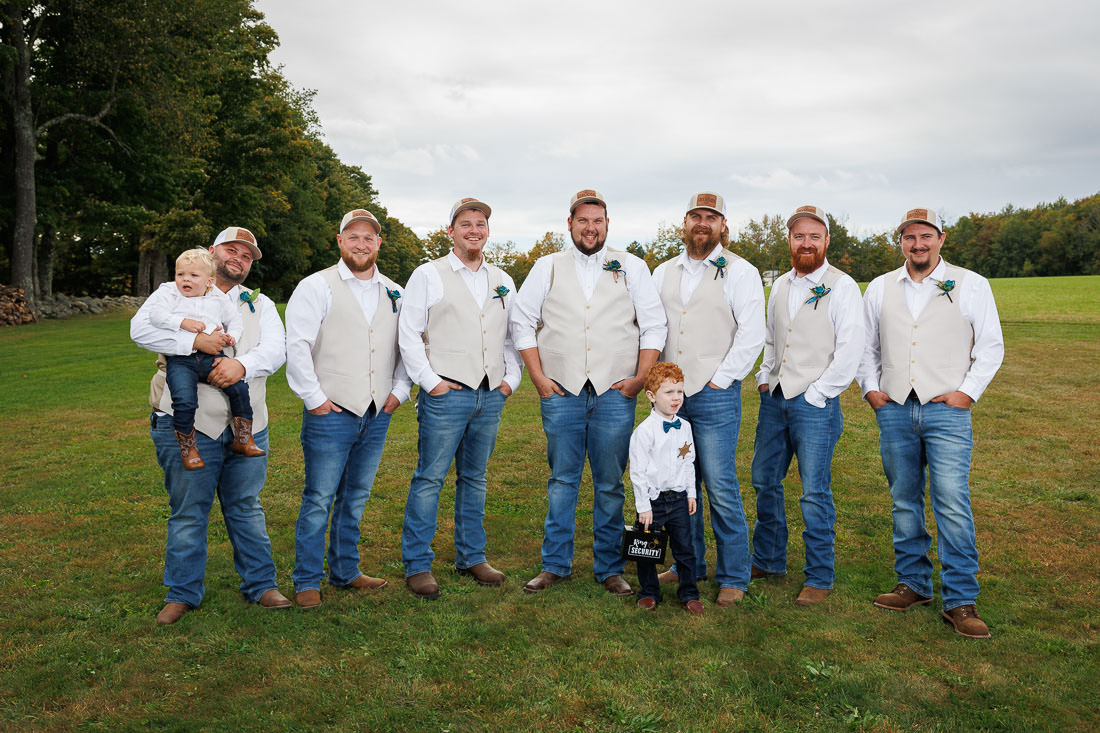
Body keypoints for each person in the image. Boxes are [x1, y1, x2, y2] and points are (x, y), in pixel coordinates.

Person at [131, 226, 291, 624]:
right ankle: (182, 593)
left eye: (247, 255)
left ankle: (261, 584)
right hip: (187, 421)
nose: (239, 258)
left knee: (246, 506)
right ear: (211, 252)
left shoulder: (259, 304)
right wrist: (191, 344)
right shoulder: (173, 292)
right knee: (188, 511)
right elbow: (139, 330)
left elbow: (276, 347)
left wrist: (242, 365)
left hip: (246, 423)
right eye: (231, 250)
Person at [511, 188, 667, 597]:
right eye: (583, 220)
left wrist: (638, 379)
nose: (590, 227)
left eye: (597, 221)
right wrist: (539, 378)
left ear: (607, 224)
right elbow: (522, 323)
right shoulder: (547, 266)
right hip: (560, 390)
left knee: (610, 482)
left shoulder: (631, 266)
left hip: (615, 391)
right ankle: (554, 565)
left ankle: (610, 568)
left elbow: (653, 325)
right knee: (562, 479)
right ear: (570, 224)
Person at [857, 207, 1004, 639]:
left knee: (952, 502)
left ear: (941, 238)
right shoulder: (881, 288)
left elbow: (991, 346)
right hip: (896, 409)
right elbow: (866, 346)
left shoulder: (971, 284)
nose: (917, 245)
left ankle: (960, 599)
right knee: (904, 499)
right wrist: (871, 389)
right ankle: (914, 584)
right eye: (909, 238)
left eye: (926, 237)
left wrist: (967, 393)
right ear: (900, 241)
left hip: (947, 411)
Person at [285, 208, 411, 609]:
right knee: (319, 497)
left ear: (378, 243)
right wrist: (316, 399)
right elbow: (297, 346)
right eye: (353, 236)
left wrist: (400, 389)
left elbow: (407, 345)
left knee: (355, 496)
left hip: (376, 413)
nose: (361, 243)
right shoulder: (316, 285)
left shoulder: (395, 292)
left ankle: (345, 569)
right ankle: (307, 579)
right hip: (331, 412)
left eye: (368, 237)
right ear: (340, 241)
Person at [397, 197, 522, 600]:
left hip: (490, 395)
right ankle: (417, 564)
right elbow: (409, 334)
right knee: (429, 479)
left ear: (488, 231)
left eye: (481, 224)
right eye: (465, 223)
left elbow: (510, 337)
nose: (474, 230)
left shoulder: (502, 278)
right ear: (450, 231)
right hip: (446, 393)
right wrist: (430, 382)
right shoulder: (428, 274)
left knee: (476, 478)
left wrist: (510, 382)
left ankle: (472, 556)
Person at [650, 191, 765, 607]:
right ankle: (688, 565)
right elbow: (651, 326)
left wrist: (720, 381)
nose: (702, 223)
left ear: (722, 226)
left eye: (711, 217)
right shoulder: (662, 271)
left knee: (719, 484)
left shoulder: (741, 271)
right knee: (678, 485)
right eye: (695, 216)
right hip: (668, 399)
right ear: (684, 224)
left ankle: (734, 574)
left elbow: (751, 333)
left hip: (714, 395)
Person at [749, 205, 864, 606]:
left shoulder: (843, 286)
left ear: (827, 240)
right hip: (775, 400)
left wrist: (818, 393)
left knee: (814, 491)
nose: (807, 243)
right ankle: (768, 559)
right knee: (764, 480)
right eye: (799, 236)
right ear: (790, 240)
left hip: (815, 403)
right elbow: (770, 337)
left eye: (815, 236)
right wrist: (765, 377)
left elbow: (851, 349)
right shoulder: (779, 285)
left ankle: (819, 575)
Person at [145, 247, 265, 470]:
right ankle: (188, 447)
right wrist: (182, 323)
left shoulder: (217, 299)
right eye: (180, 275)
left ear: (209, 281)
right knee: (184, 400)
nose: (185, 280)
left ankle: (244, 437)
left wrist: (232, 337)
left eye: (193, 275)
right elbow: (156, 316)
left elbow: (235, 321)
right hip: (181, 359)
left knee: (238, 389)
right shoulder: (171, 296)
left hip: (211, 357)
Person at [629, 362, 702, 615]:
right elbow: (637, 473)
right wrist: (643, 507)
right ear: (651, 396)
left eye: (679, 392)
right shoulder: (644, 432)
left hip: (680, 498)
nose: (676, 398)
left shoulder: (686, 427)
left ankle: (690, 593)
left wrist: (691, 493)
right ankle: (649, 592)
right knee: (647, 549)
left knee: (685, 549)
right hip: (654, 501)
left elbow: (689, 462)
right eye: (668, 392)